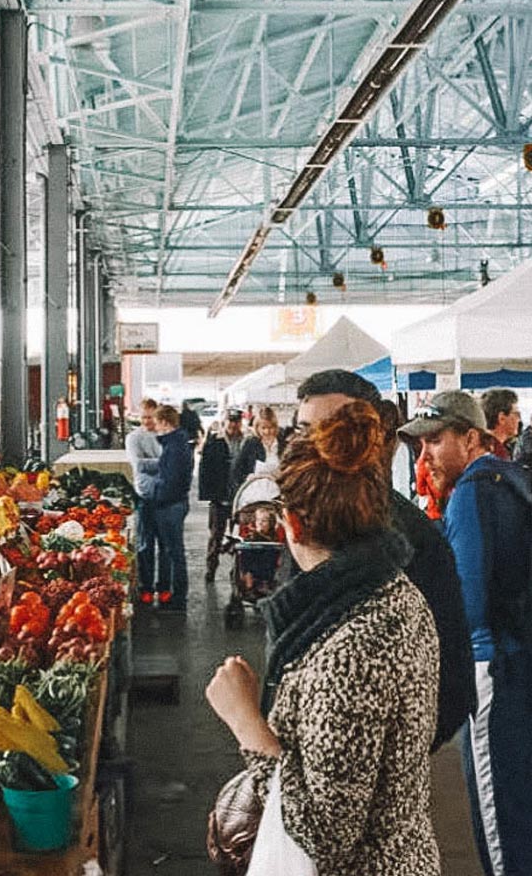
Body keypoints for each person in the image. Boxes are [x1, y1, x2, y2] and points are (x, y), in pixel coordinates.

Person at [206, 402, 441, 874]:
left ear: (292, 524)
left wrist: (245, 721)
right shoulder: (396, 594)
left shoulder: (351, 649)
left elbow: (323, 835)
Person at [296, 370, 475, 753]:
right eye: (304, 430)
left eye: (334, 429)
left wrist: (381, 759)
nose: (316, 445)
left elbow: (453, 685)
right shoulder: (307, 528)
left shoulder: (411, 540)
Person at [400, 391, 532, 876]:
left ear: (471, 438)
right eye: (419, 446)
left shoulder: (473, 492)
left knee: (498, 817)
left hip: (491, 667)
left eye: (435, 440)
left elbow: (468, 606)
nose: (425, 456)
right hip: (517, 663)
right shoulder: (509, 480)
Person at [148, 404, 193, 611]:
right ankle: (174, 593)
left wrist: (156, 494)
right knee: (172, 550)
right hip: (175, 503)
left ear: (165, 423)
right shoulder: (179, 443)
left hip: (169, 505)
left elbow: (171, 480)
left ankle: (179, 597)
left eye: (157, 423)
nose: (155, 427)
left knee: (174, 551)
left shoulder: (174, 447)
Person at [198, 409, 244, 582]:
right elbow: (205, 470)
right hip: (219, 497)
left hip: (240, 497)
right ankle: (211, 568)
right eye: (230, 421)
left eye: (236, 421)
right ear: (224, 422)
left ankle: (237, 573)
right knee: (216, 535)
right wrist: (209, 495)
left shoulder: (246, 442)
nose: (233, 425)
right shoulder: (214, 441)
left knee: (240, 536)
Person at [126, 398, 162, 605]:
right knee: (145, 544)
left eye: (151, 417)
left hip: (166, 496)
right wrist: (163, 463)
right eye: (144, 417)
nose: (147, 421)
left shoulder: (165, 435)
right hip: (145, 496)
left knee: (166, 546)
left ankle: (165, 587)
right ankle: (146, 587)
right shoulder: (133, 438)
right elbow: (138, 464)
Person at [230, 405, 282, 501]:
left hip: (278, 493)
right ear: (257, 428)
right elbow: (237, 470)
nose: (267, 431)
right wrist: (247, 478)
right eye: (263, 428)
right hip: (253, 494)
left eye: (270, 428)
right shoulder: (251, 444)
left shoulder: (282, 444)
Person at [480, 388, 520, 460]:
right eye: (516, 414)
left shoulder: (480, 446)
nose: (519, 419)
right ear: (502, 418)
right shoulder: (497, 453)